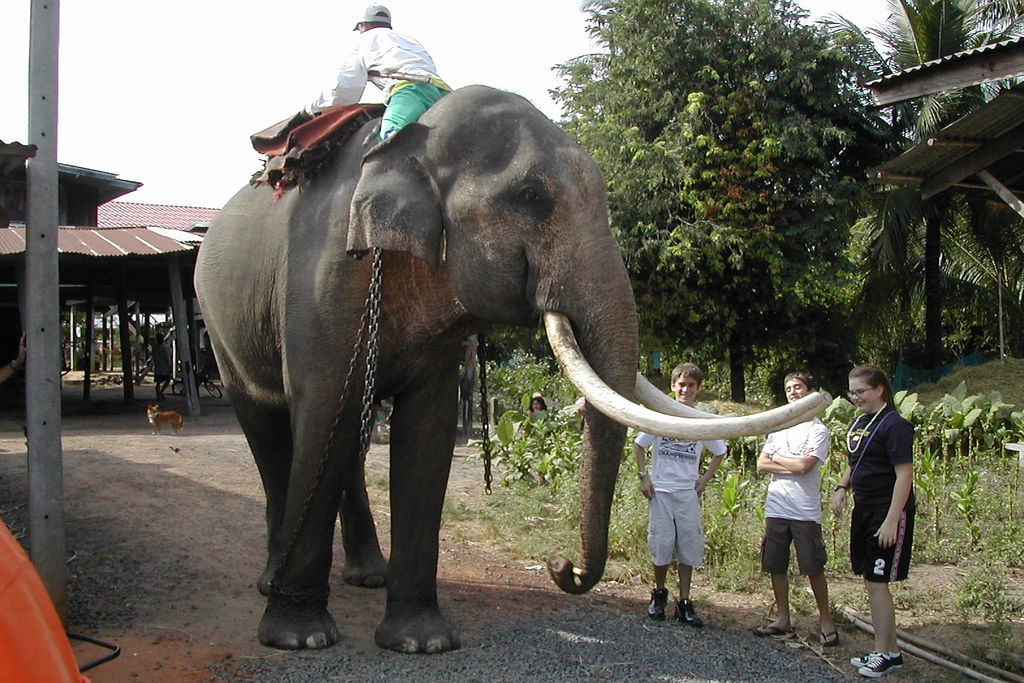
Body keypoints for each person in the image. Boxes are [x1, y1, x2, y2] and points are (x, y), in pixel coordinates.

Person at [831, 366, 915, 679]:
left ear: (880, 389)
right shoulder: (862, 423)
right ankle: (890, 651)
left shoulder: (895, 425)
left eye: (861, 391)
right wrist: (842, 487)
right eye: (852, 392)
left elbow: (904, 474)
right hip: (863, 510)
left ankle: (883, 653)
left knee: (878, 583)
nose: (855, 398)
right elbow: (857, 461)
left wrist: (893, 519)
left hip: (887, 511)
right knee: (869, 579)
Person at [634, 362, 726, 627]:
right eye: (681, 385)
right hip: (661, 491)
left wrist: (703, 481)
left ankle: (684, 601)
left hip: (687, 493)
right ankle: (659, 594)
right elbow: (639, 447)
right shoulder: (661, 417)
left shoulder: (701, 421)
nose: (685, 389)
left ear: (698, 389)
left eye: (691, 386)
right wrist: (644, 477)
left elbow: (720, 451)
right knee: (661, 545)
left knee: (688, 546)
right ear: (673, 386)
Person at [753, 371, 837, 646]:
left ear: (810, 392)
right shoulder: (778, 428)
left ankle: (826, 621)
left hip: (805, 511)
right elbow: (761, 464)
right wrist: (789, 462)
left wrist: (778, 458)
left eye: (798, 387)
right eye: (788, 388)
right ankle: (783, 618)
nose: (792, 392)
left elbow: (806, 467)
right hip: (776, 508)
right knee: (776, 564)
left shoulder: (818, 429)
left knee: (813, 566)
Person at [308, 5, 451, 140]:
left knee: (391, 141)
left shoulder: (364, 41)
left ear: (363, 26)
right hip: (443, 92)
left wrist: (312, 109)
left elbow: (345, 89)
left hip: (412, 93)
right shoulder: (409, 40)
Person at [152, 334, 172, 400]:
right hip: (164, 367)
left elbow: (154, 356)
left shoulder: (155, 347)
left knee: (158, 382)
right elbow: (167, 358)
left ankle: (158, 394)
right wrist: (169, 366)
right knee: (167, 380)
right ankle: (161, 392)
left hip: (158, 366)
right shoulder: (165, 348)